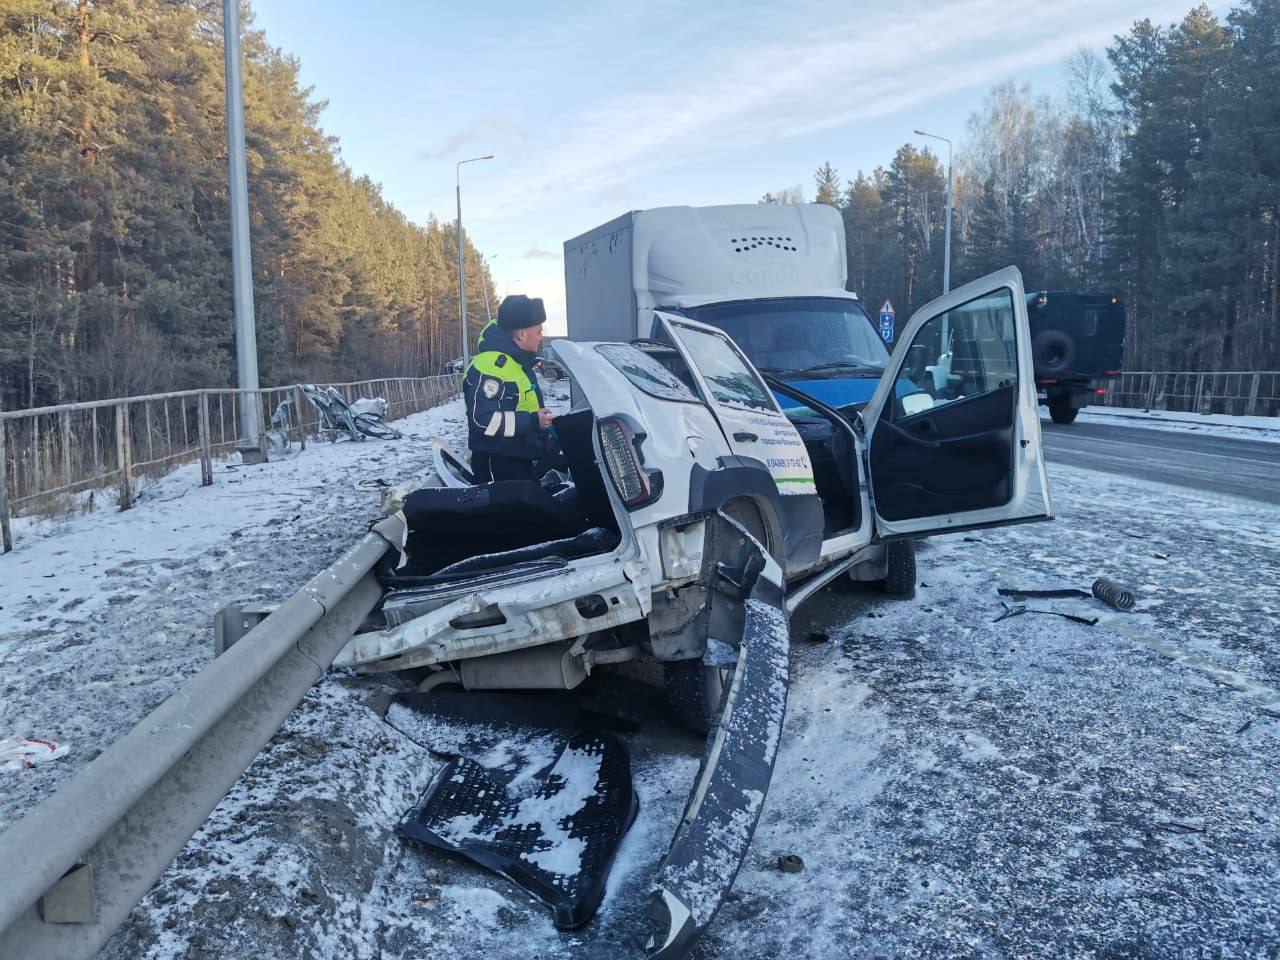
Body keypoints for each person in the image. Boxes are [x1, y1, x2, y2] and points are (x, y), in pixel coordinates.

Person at [463, 294, 556, 483]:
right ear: (522, 334)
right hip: (498, 464)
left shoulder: (516, 362)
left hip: (518, 457)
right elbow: (482, 420)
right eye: (538, 331)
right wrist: (532, 421)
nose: (541, 336)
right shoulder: (492, 367)